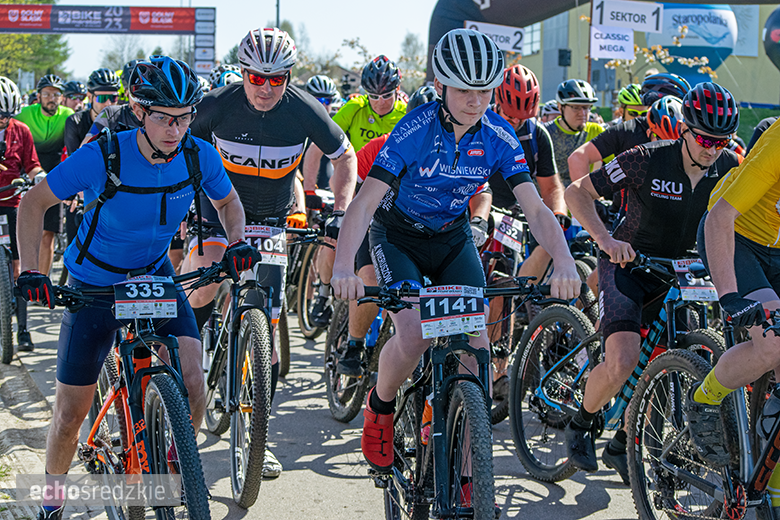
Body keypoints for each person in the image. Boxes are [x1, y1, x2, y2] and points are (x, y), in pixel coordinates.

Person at [329, 29, 580, 485]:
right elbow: (364, 204)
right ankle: (381, 407)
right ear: (442, 87)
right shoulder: (412, 129)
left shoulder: (501, 137)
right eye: (464, 89)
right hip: (398, 237)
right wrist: (344, 267)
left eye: (484, 90)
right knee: (414, 332)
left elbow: (537, 209)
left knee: (477, 347)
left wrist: (562, 261)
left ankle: (467, 478)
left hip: (452, 239)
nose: (475, 100)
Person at [15, 55, 255, 520]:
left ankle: (171, 462)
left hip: (154, 275)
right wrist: (31, 271)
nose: (175, 128)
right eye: (164, 117)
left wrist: (238, 242)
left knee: (194, 383)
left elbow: (229, 203)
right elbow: (33, 202)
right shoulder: (105, 154)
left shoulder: (197, 154)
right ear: (139, 111)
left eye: (185, 117)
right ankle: (51, 501)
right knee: (69, 414)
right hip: (94, 281)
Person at [183, 27, 357, 479]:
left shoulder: (302, 109)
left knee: (269, 330)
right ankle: (185, 364)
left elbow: (346, 156)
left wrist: (341, 209)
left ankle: (259, 435)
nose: (265, 88)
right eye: (255, 78)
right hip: (216, 217)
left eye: (275, 79)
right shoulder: (217, 104)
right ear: (242, 73)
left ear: (288, 77)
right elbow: (177, 146)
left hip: (270, 224)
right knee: (200, 290)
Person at [564, 82, 741, 485]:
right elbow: (578, 193)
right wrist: (606, 241)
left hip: (679, 273)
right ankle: (582, 422)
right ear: (684, 130)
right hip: (628, 265)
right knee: (624, 360)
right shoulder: (645, 158)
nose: (712, 148)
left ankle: (625, 441)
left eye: (721, 140)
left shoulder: (730, 166)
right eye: (704, 138)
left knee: (665, 362)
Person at [685, 93, 780, 516]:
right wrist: (729, 298)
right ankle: (705, 398)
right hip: (736, 237)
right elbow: (721, 218)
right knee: (774, 345)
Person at [304, 56, 407, 329]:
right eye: (373, 95)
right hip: (353, 182)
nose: (380, 101)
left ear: (397, 90)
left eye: (387, 95)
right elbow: (318, 145)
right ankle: (323, 295)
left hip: (388, 191)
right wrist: (309, 188)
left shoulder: (406, 114)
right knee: (334, 234)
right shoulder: (354, 107)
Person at [568, 73, 691, 184]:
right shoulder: (629, 129)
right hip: (626, 206)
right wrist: (589, 202)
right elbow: (578, 157)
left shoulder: (690, 132)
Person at [0, 76, 45, 351]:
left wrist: (40, 177)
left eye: (7, 116)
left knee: (20, 269)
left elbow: (32, 165)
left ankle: (24, 330)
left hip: (13, 200)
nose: (3, 121)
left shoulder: (22, 131)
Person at [15, 74, 74, 281]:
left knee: (48, 232)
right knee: (24, 227)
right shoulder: (24, 114)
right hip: (27, 172)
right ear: (38, 96)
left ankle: (42, 282)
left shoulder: (69, 115)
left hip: (54, 176)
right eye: (47, 93)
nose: (52, 98)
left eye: (56, 94)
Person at [543, 79, 604, 186]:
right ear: (560, 107)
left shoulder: (596, 131)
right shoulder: (545, 133)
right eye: (576, 108)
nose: (583, 113)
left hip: (582, 198)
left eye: (586, 108)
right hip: (550, 198)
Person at [64, 69, 121, 157]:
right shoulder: (75, 121)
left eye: (113, 98)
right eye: (102, 98)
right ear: (90, 98)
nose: (108, 104)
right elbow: (74, 162)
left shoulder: (124, 118)